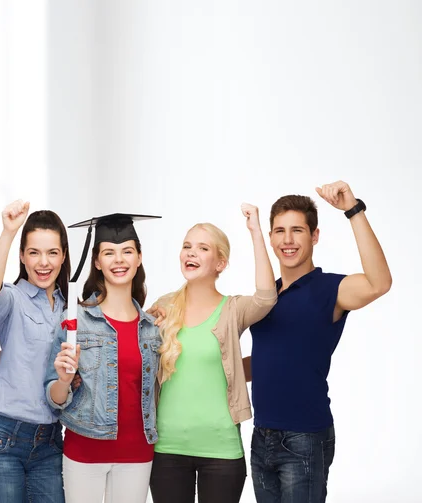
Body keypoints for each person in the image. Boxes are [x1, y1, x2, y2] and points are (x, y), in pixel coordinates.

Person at [249, 180, 392, 503]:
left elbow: (379, 283)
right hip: (262, 436)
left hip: (304, 437)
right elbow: (267, 360)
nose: (287, 240)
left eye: (297, 230)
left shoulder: (330, 290)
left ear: (314, 236)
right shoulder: (267, 295)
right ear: (270, 237)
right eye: (280, 231)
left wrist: (353, 210)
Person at [148, 204, 277, 503]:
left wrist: (256, 232)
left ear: (221, 263)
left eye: (202, 248)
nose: (191, 253)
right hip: (167, 448)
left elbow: (267, 297)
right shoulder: (162, 307)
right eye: (186, 246)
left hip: (221, 451)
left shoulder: (232, 310)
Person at [45, 213, 161, 503]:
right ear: (97, 261)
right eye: (109, 252)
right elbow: (54, 398)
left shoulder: (151, 328)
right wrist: (63, 380)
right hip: (85, 452)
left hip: (137, 455)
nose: (118, 260)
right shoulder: (75, 321)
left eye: (127, 252)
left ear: (139, 258)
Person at [0, 200, 71, 503]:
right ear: (22, 256)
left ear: (63, 255)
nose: (44, 262)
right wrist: (8, 232)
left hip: (50, 440)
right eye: (34, 252)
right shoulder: (13, 299)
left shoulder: (73, 308)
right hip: (0, 436)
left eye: (52, 252)